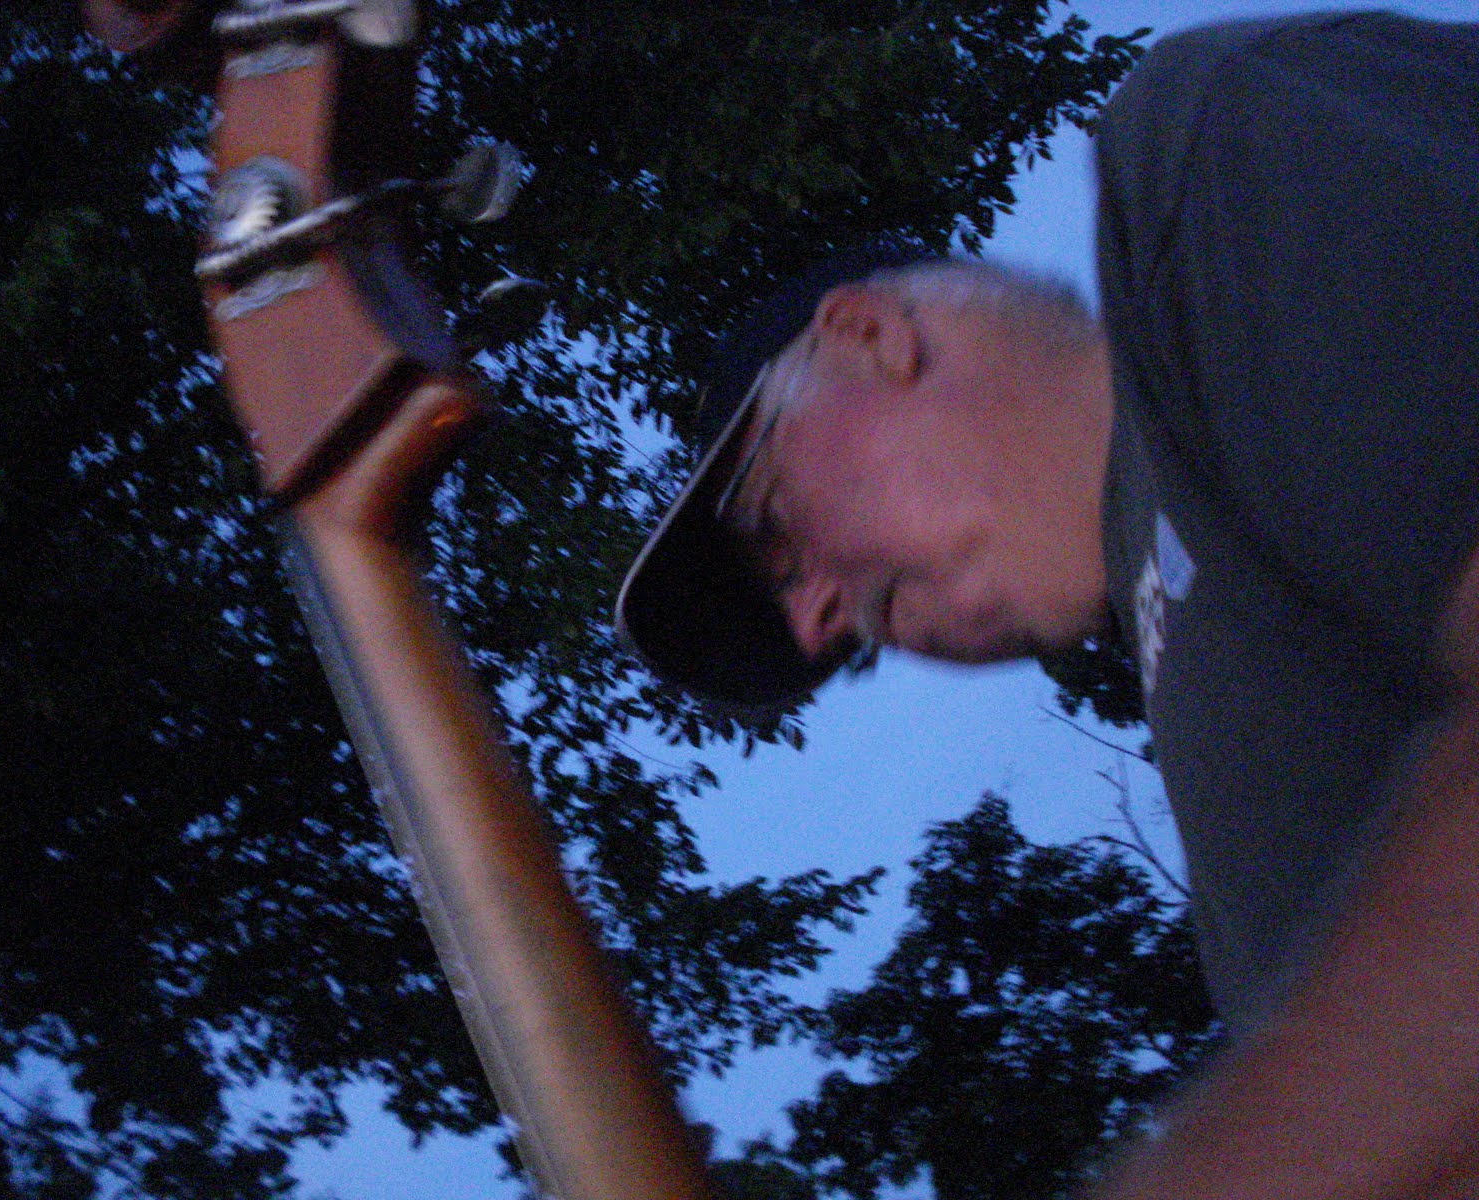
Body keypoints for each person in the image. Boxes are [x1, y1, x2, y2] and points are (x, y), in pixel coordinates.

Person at [616, 11, 1479, 1200]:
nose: (817, 626)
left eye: (770, 527)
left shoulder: (1203, 158)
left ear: (868, 338)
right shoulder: (1197, 670)